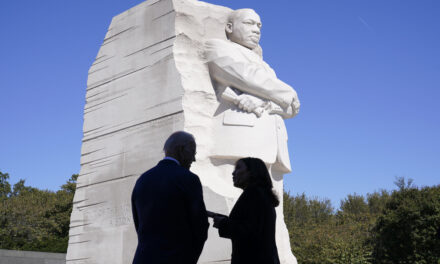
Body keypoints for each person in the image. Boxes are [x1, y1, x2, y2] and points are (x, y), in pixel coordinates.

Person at [131, 131, 209, 264]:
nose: (194, 159)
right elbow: (200, 227)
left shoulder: (142, 179)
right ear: (181, 150)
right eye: (193, 153)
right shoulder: (189, 179)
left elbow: (139, 223)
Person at [212, 157, 281, 264]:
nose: (233, 173)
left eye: (238, 168)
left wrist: (223, 223)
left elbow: (249, 231)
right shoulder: (262, 196)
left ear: (251, 172)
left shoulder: (253, 195)